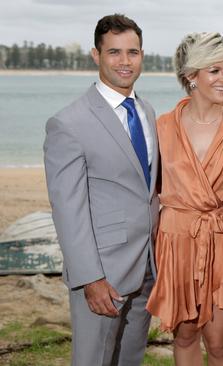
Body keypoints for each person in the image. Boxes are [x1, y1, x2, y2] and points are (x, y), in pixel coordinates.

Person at [43, 14, 158, 365]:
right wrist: (90, 277)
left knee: (130, 358)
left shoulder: (146, 110)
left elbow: (146, 188)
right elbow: (68, 210)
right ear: (96, 55)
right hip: (103, 273)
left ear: (142, 55)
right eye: (114, 52)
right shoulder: (68, 123)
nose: (125, 62)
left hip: (147, 267)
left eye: (133, 52)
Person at [145, 32, 223, 366]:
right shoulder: (161, 127)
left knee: (220, 343)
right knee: (184, 337)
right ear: (191, 76)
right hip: (177, 240)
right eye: (216, 71)